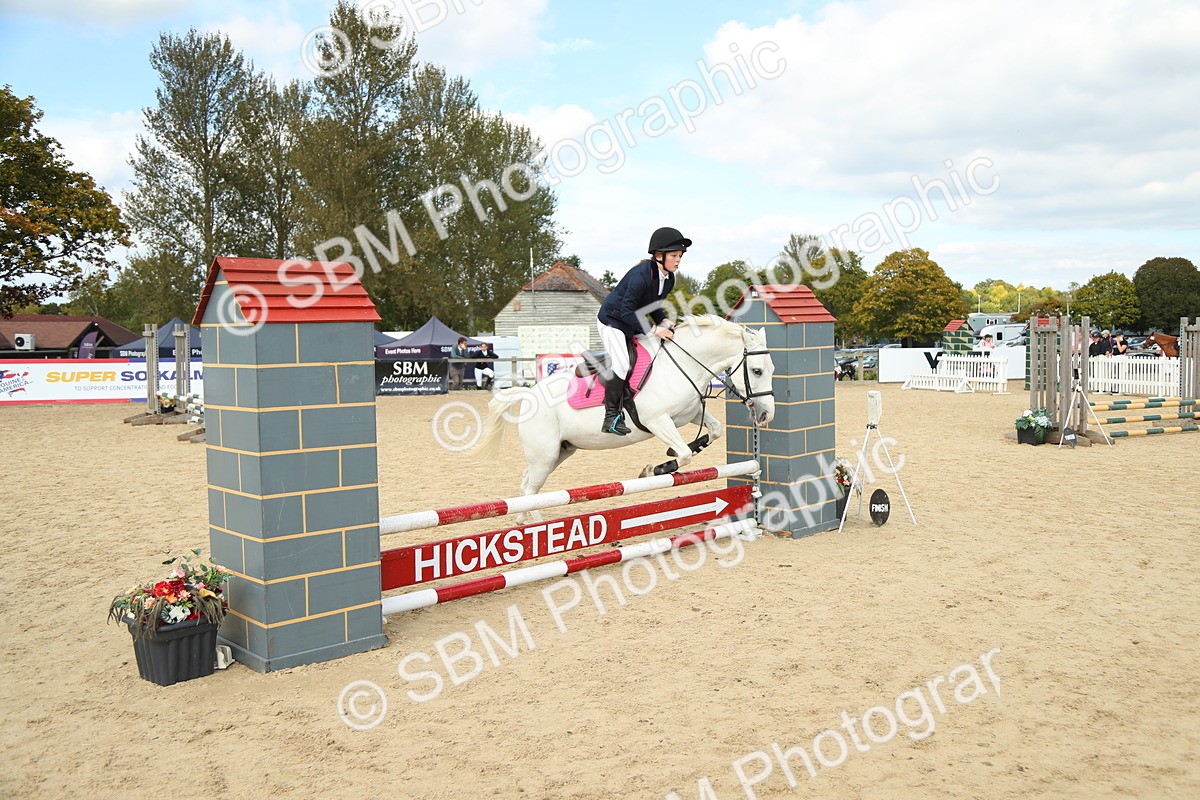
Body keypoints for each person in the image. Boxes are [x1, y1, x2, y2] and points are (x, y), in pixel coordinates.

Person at [595, 226, 688, 434]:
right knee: (621, 363)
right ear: (658, 255)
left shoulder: (669, 279)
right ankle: (611, 417)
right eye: (674, 255)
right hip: (612, 321)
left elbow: (653, 306)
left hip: (630, 321)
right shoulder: (640, 276)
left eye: (679, 255)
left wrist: (664, 321)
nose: (678, 259)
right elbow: (627, 312)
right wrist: (655, 330)